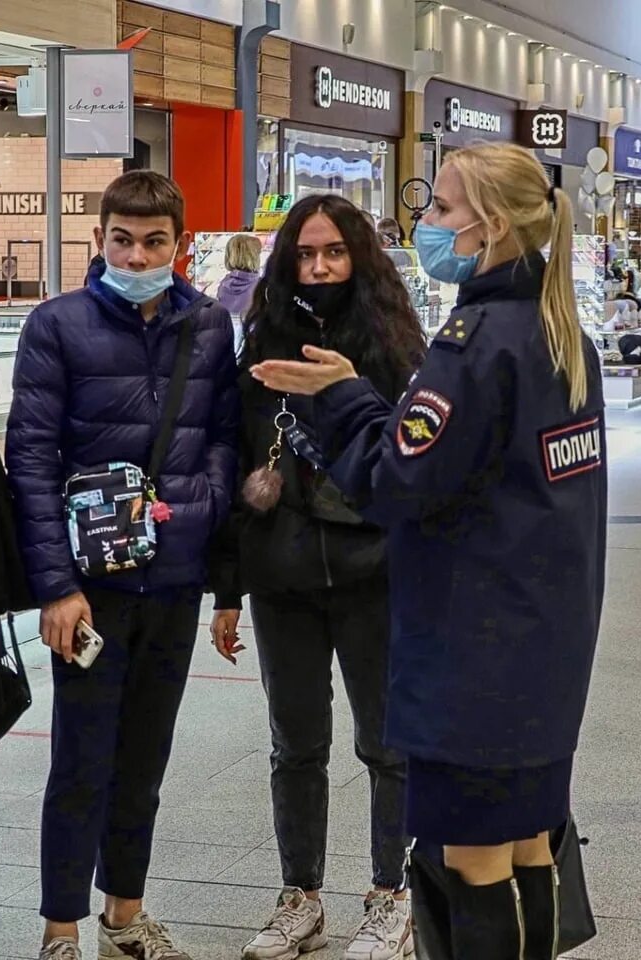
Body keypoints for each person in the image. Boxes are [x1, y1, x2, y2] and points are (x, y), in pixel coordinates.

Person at [251, 142, 605, 960]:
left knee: (470, 861)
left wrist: (341, 402)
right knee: (529, 848)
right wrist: (370, 398)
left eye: (443, 210)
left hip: (471, 653)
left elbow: (397, 483)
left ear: (488, 228)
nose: (429, 225)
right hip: (546, 645)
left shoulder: (475, 344)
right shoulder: (560, 336)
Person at [5, 170, 239, 960]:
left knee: (143, 761)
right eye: (122, 240)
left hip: (171, 578)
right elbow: (30, 461)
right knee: (80, 759)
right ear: (99, 239)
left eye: (154, 242)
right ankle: (60, 931)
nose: (137, 255)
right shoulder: (56, 325)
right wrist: (56, 587)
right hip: (92, 586)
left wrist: (203, 508)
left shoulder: (209, 326)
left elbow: (223, 437)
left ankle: (123, 920)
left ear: (179, 245)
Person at [210, 194, 425, 960]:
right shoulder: (263, 340)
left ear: (358, 257)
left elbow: (417, 463)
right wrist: (229, 592)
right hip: (283, 574)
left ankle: (391, 896)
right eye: (306, 254)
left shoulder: (396, 344)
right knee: (294, 745)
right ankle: (299, 894)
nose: (321, 267)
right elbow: (237, 464)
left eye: (334, 252)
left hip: (376, 571)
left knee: (386, 744)